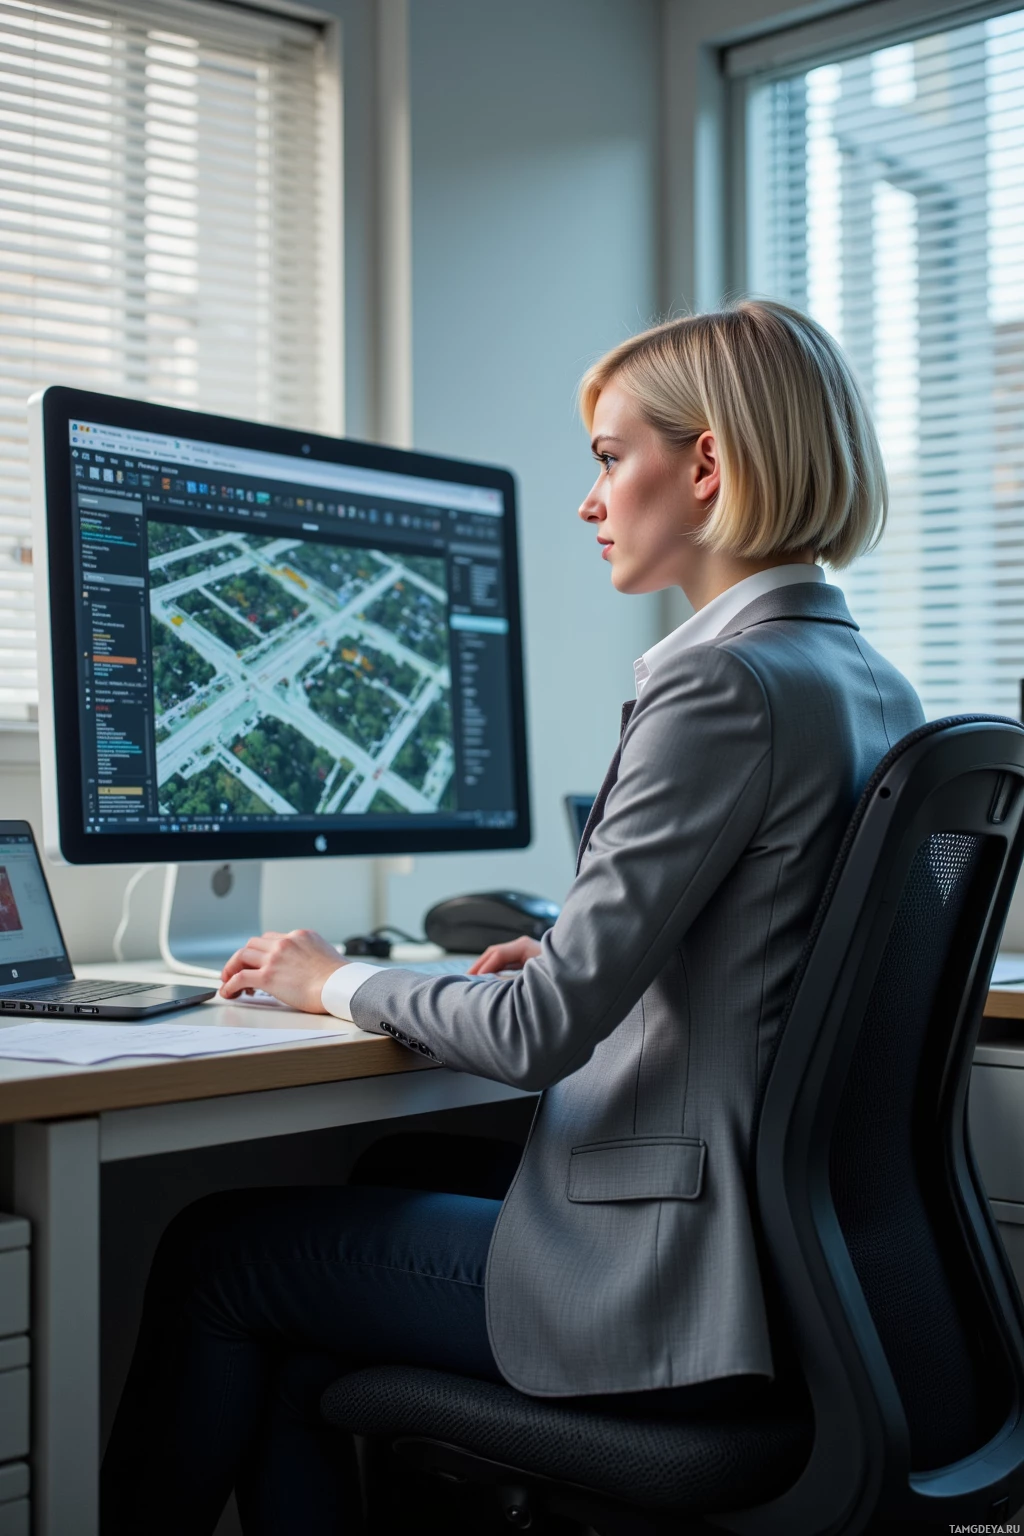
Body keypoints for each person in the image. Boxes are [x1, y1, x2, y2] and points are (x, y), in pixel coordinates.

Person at [101, 300, 925, 1533]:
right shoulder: (869, 681)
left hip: (667, 1283)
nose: (590, 502)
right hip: (798, 1267)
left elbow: (540, 1034)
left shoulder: (718, 681)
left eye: (609, 458)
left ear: (706, 465)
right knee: (369, 1201)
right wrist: (594, 952)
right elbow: (777, 945)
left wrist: (327, 980)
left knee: (225, 1253)